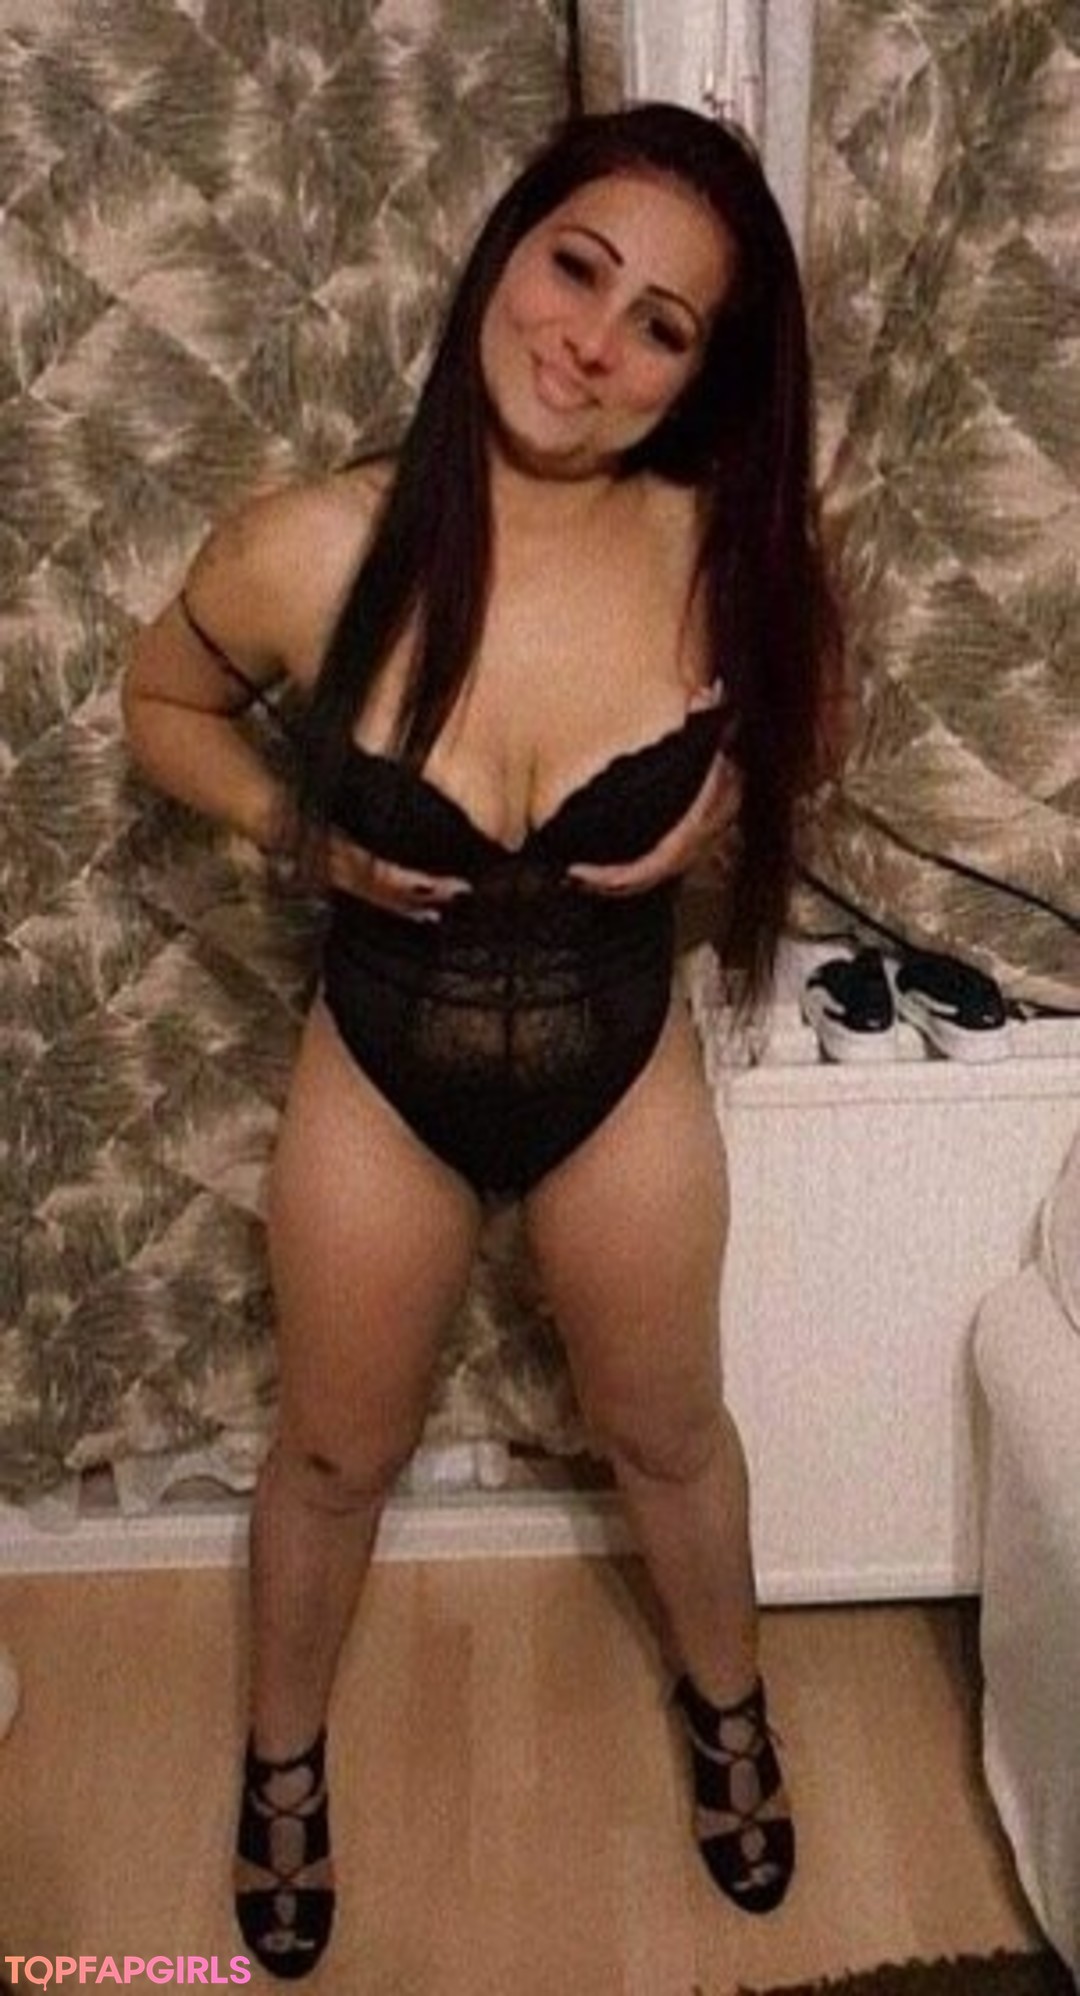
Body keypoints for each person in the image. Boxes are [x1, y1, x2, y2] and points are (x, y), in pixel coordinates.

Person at [122, 101, 835, 1977]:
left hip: (618, 1067)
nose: (591, 342)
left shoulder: (721, 552)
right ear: (504, 251)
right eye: (575, 267)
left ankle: (732, 1713)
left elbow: (797, 731)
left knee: (667, 1436)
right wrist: (290, 826)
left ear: (699, 379)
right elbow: (157, 704)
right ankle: (282, 1759)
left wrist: (731, 797)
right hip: (382, 1071)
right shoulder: (309, 545)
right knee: (330, 1459)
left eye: (662, 326)